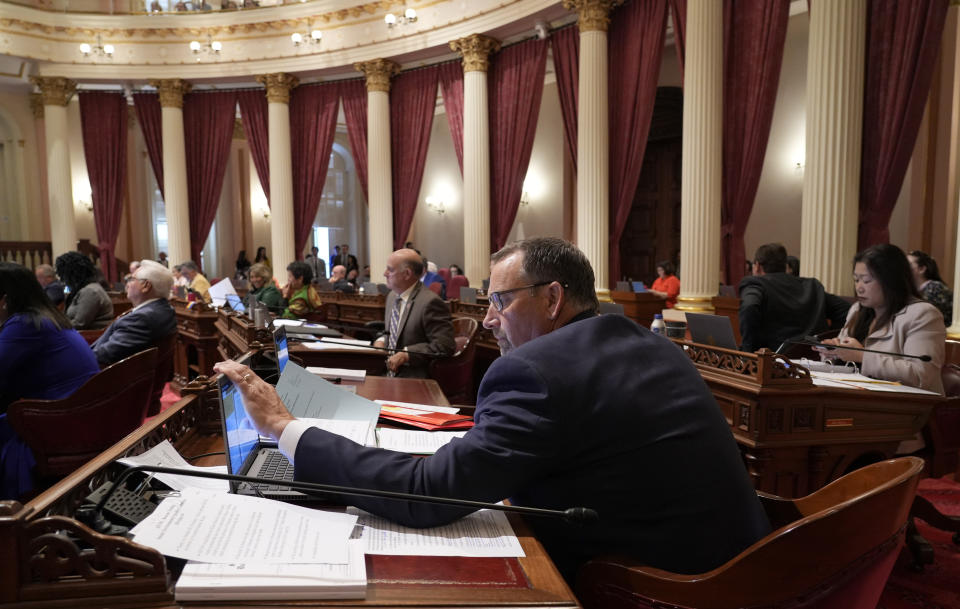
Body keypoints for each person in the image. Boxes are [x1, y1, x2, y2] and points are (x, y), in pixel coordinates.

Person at [215, 237, 770, 583]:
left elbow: (430, 495)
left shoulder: (537, 370)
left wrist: (286, 429)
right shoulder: (639, 340)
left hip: (663, 587)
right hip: (733, 564)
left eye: (500, 302)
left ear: (552, 299)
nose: (487, 320)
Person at [0, 262, 100, 498]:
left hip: (56, 423)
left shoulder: (24, 324)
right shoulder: (46, 317)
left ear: (4, 300)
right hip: (81, 413)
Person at [821, 244, 945, 395]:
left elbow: (921, 375)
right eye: (856, 280)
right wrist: (833, 352)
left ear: (891, 280)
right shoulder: (857, 310)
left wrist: (861, 356)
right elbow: (846, 358)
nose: (859, 287)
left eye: (866, 281)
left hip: (906, 407)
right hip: (856, 397)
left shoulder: (923, 315)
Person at [738, 243, 850, 353]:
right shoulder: (812, 287)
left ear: (757, 266)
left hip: (772, 361)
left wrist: (748, 350)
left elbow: (749, 307)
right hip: (815, 357)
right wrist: (828, 337)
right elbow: (848, 310)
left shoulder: (756, 284)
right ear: (785, 266)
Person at [371, 249, 455, 377]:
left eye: (390, 270)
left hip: (412, 376)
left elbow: (444, 346)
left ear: (407, 274)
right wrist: (382, 340)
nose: (385, 273)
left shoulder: (430, 302)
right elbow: (394, 332)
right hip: (386, 371)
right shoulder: (392, 296)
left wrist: (407, 354)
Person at [91, 260, 177, 367]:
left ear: (146, 286)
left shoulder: (142, 319)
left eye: (131, 279)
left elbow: (105, 355)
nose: (126, 285)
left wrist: (78, 359)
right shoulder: (164, 309)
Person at [55, 252, 114, 330]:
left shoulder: (91, 291)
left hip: (91, 338)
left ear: (72, 274)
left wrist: (54, 326)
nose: (62, 280)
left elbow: (79, 324)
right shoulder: (83, 289)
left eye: (63, 275)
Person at [908, 250, 953, 326]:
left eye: (908, 264)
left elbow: (925, 316)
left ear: (922, 269)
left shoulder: (935, 287)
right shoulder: (913, 289)